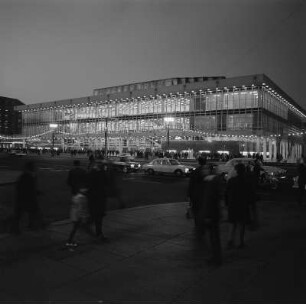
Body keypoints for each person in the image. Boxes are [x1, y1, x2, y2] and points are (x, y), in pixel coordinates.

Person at [225, 163, 254, 249]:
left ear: (236, 171)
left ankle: (230, 240)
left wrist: (227, 203)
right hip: (243, 205)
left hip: (232, 204)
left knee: (232, 223)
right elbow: (250, 195)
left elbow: (226, 193)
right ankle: (240, 242)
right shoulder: (247, 181)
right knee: (241, 224)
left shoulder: (231, 181)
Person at [13, 161, 43, 234]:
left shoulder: (26, 176)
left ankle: (19, 229)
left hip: (23, 198)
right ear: (31, 168)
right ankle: (33, 226)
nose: (35, 168)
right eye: (34, 167)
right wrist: (36, 192)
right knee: (32, 212)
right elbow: (29, 188)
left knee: (21, 214)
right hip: (27, 198)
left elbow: (19, 187)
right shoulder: (29, 177)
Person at [187, 156, 210, 239]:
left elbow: (191, 185)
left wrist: (189, 195)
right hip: (205, 195)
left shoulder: (195, 172)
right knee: (203, 211)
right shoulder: (209, 171)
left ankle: (198, 227)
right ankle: (202, 227)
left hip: (196, 195)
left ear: (198, 162)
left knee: (196, 212)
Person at [87, 161, 109, 241]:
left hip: (93, 198)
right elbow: (106, 182)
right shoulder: (101, 174)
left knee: (95, 216)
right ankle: (99, 233)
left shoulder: (92, 173)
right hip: (99, 198)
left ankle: (98, 233)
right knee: (98, 217)